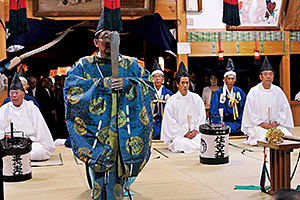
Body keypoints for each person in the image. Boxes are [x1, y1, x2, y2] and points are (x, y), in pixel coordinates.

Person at [63, 9, 155, 200]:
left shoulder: (131, 65)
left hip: (125, 129)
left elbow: (149, 85)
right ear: (96, 42)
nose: (108, 41)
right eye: (104, 37)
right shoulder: (85, 65)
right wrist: (100, 86)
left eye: (113, 37)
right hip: (98, 130)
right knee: (98, 172)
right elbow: (72, 89)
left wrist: (129, 83)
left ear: (119, 41)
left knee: (120, 171)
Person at [0, 73, 55, 161]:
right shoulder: (3, 109)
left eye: (17, 93)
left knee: (38, 151)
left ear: (23, 95)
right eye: (11, 93)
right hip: (9, 144)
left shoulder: (32, 108)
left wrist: (29, 138)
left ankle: (19, 158)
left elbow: (41, 130)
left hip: (29, 144)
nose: (14, 96)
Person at [242, 56, 294, 145]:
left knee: (286, 137)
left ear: (273, 76)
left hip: (275, 126)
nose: (268, 77)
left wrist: (277, 122)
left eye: (270, 74)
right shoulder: (254, 91)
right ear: (260, 76)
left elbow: (284, 109)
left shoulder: (278, 91)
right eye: (265, 74)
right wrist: (261, 123)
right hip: (259, 126)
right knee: (263, 138)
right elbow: (249, 112)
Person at [161, 62, 206, 153]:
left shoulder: (196, 98)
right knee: (180, 144)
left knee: (201, 142)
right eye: (182, 83)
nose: (185, 85)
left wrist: (196, 130)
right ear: (178, 84)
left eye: (187, 82)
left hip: (195, 134)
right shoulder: (172, 100)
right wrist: (183, 132)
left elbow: (202, 116)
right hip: (180, 134)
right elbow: (170, 120)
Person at [210, 58, 246, 136]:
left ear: (235, 79)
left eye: (232, 79)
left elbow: (245, 108)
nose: (230, 81)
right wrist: (219, 122)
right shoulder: (219, 93)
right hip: (223, 123)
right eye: (228, 79)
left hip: (237, 124)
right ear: (224, 80)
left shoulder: (239, 92)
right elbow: (214, 110)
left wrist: (242, 121)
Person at [151, 60, 173, 140]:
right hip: (153, 122)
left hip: (165, 122)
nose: (157, 79)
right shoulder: (148, 93)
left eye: (159, 76)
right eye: (155, 76)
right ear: (152, 78)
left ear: (163, 78)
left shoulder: (168, 93)